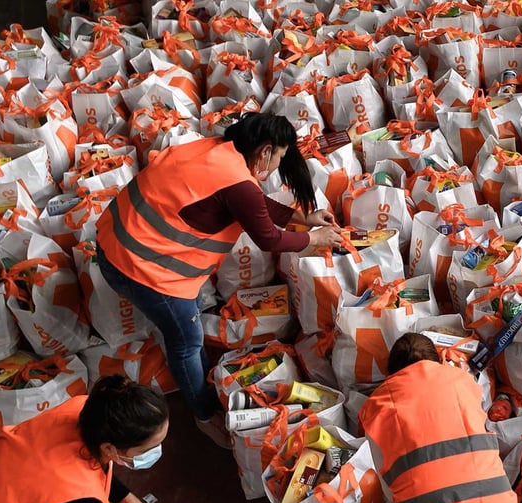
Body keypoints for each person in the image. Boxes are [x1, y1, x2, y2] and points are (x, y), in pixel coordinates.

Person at [95, 112, 343, 447]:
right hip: (143, 269)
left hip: (114, 241)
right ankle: (203, 414)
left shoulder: (214, 150)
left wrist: (302, 218)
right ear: (265, 151)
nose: (275, 167)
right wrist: (314, 239)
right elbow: (269, 238)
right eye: (279, 158)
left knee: (186, 324)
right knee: (187, 341)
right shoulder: (237, 183)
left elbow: (254, 203)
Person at [359, 333, 520, 503]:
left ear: (391, 371)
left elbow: (387, 485)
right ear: (436, 361)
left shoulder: (376, 405)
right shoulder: (464, 381)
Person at [0, 376, 169, 503]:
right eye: (147, 450)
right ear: (109, 449)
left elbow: (92, 471)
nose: (157, 452)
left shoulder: (88, 410)